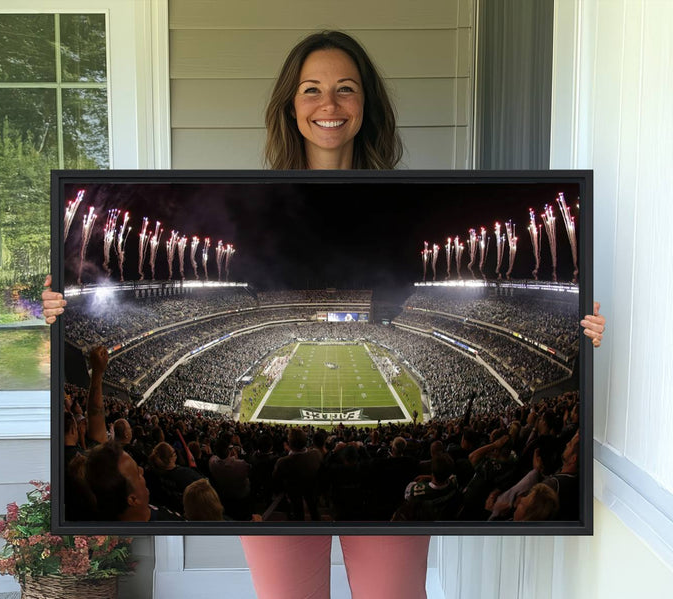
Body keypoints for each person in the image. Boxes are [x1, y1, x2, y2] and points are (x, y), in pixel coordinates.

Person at [42, 29, 607, 599]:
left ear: (367, 104)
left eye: (346, 89)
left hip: (361, 510)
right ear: (290, 104)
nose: (328, 105)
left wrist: (581, 328)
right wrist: (59, 308)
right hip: (284, 513)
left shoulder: (399, 195)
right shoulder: (257, 195)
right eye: (311, 89)